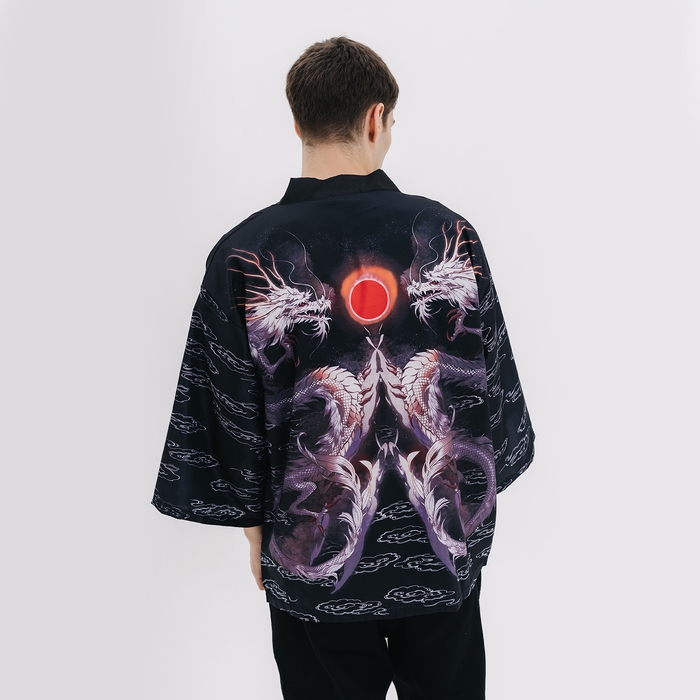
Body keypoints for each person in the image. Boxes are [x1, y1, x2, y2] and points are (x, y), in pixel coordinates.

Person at [152, 36, 535, 700]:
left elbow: (230, 416)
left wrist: (258, 531)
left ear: (297, 121)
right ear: (376, 118)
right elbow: (488, 395)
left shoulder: (243, 253)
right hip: (441, 551)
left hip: (314, 552)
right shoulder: (451, 235)